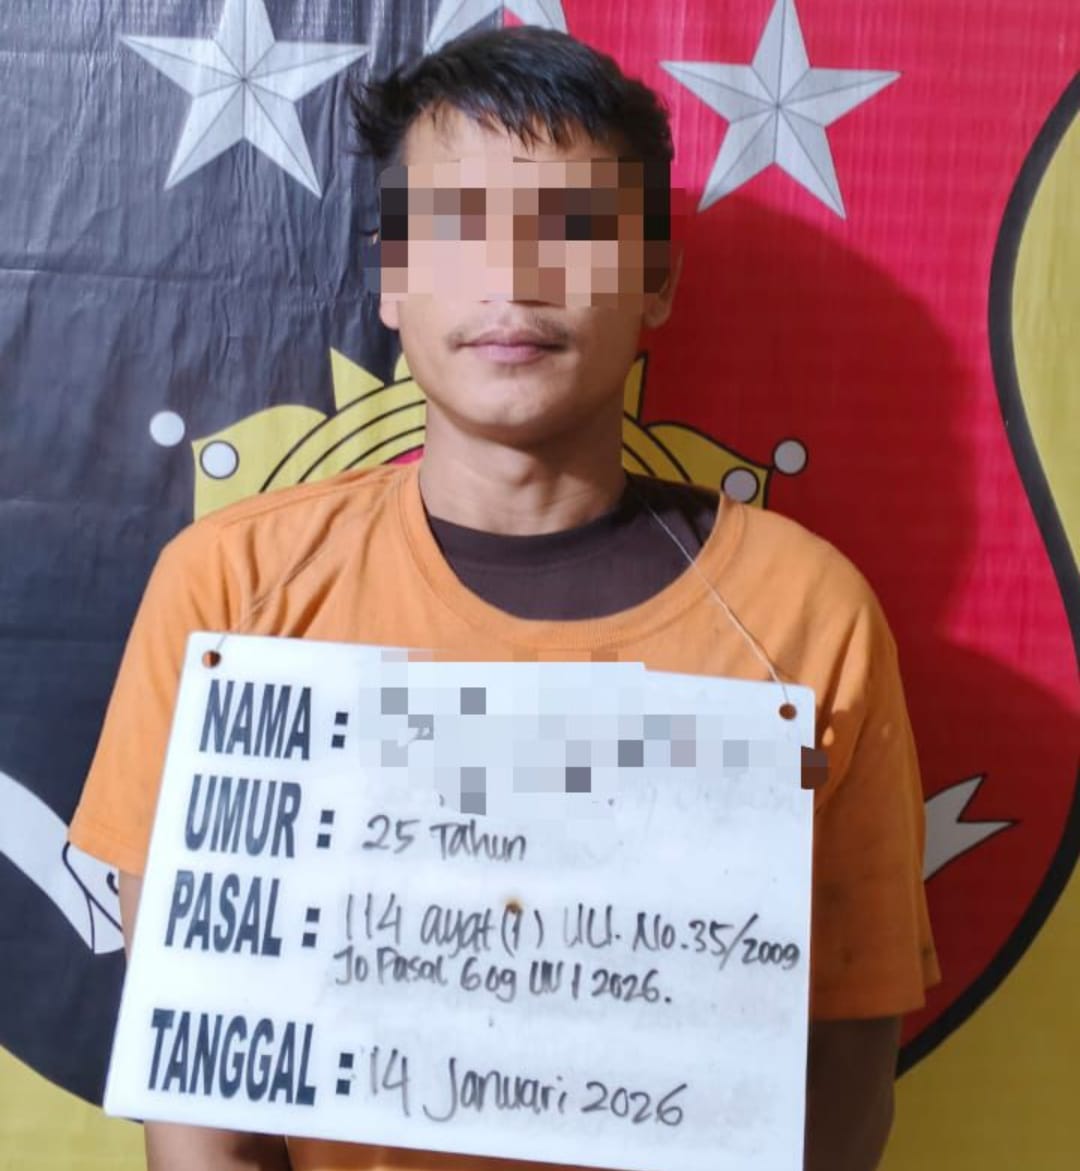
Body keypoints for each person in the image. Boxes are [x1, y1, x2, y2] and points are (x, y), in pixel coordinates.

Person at [70, 24, 938, 1171]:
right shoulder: (230, 589)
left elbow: (847, 1065)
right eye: (454, 228)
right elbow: (198, 1086)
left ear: (658, 280)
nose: (512, 279)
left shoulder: (805, 613)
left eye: (572, 229)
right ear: (392, 279)